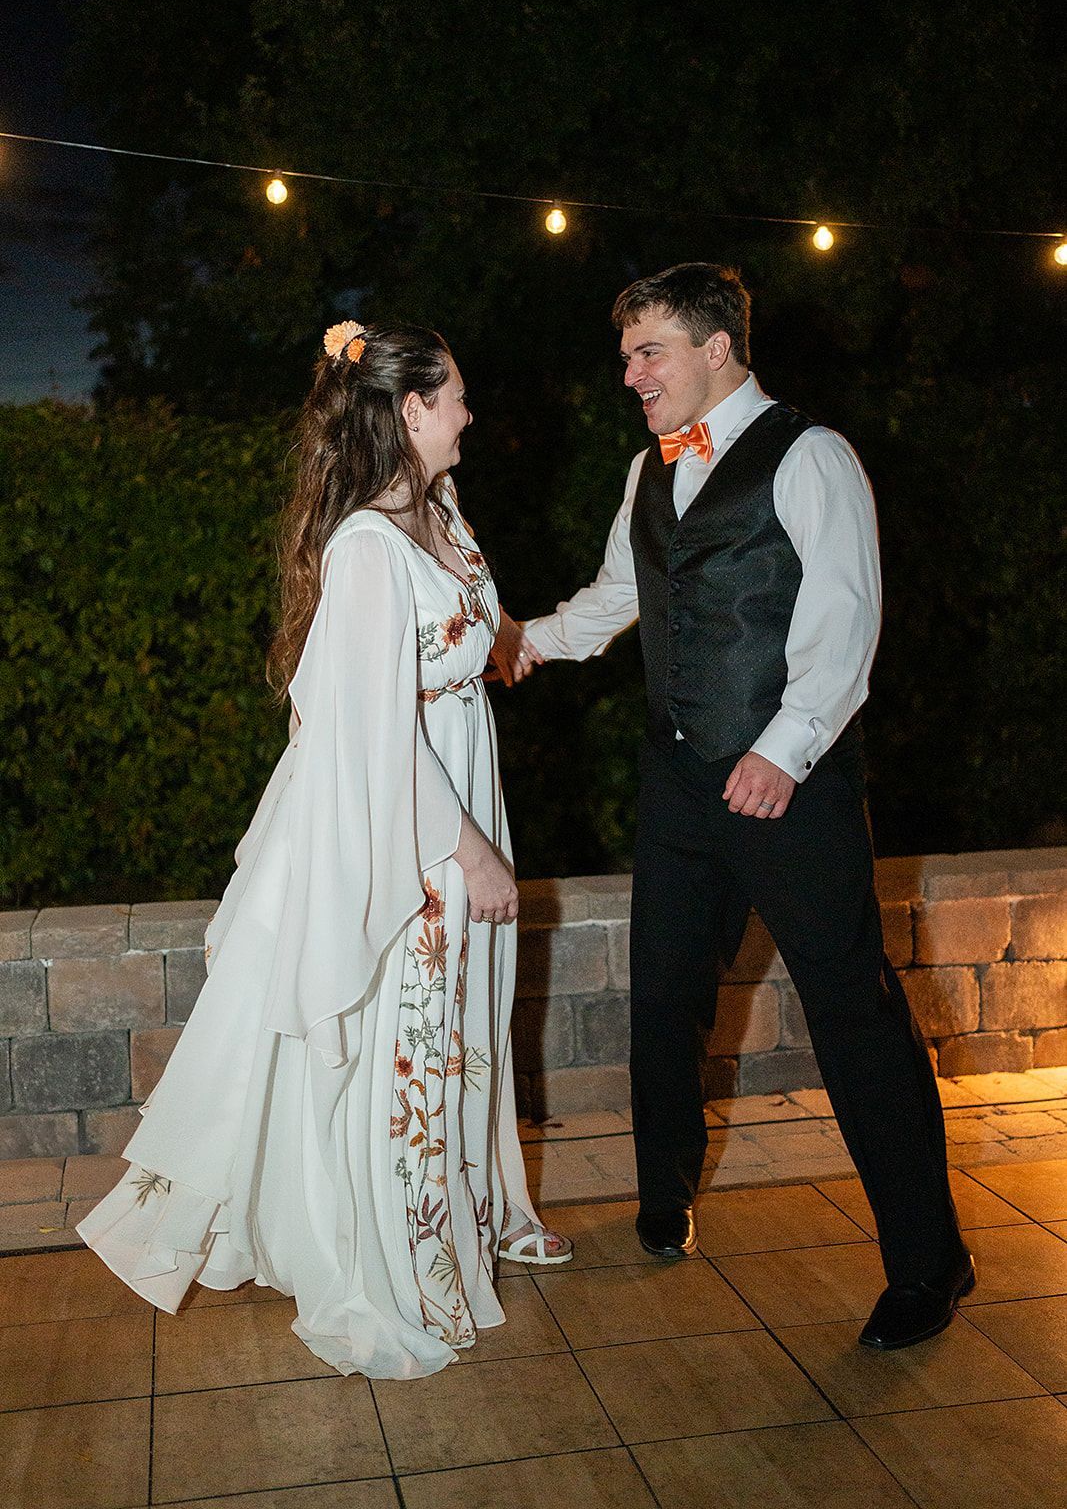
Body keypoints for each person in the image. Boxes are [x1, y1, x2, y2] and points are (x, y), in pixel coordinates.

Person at [78, 321, 570, 1381]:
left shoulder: (440, 513)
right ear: (407, 412)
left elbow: (460, 636)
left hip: (457, 774)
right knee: (414, 1032)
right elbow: (366, 729)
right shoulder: (361, 550)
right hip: (403, 817)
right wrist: (468, 850)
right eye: (456, 400)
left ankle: (477, 1215)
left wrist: (504, 646)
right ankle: (401, 1255)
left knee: (467, 1025)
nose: (469, 415)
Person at [508, 263, 974, 1350]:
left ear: (716, 347)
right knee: (664, 994)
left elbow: (844, 617)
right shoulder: (646, 469)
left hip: (787, 788)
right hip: (677, 783)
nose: (629, 373)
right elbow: (619, 599)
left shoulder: (811, 455)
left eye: (648, 351)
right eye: (627, 354)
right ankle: (664, 1198)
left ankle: (926, 1262)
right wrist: (518, 642)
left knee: (853, 1016)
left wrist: (783, 747)